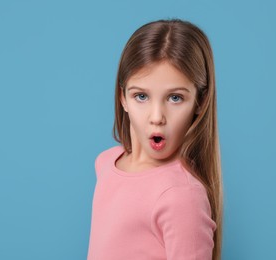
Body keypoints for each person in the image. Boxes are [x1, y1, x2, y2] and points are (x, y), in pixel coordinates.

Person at [87, 18, 224, 260]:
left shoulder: (182, 197)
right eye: (141, 96)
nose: (157, 117)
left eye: (175, 98)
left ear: (200, 103)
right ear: (123, 98)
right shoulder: (106, 163)